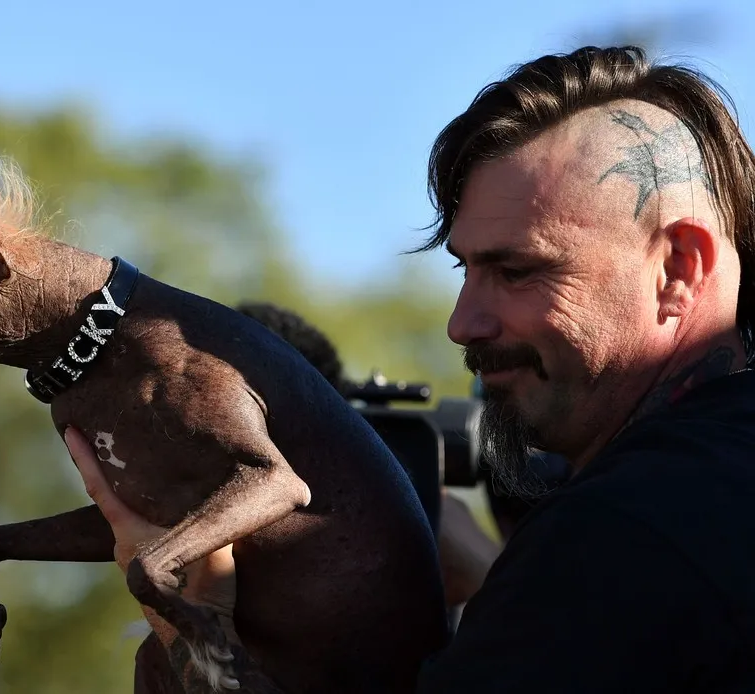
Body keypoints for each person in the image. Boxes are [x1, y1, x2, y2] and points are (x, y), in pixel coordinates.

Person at [64, 45, 755, 692]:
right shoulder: (694, 501)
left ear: (677, 267)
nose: (463, 323)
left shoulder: (621, 534)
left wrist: (198, 624)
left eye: (516, 271)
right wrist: (486, 581)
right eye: (466, 269)